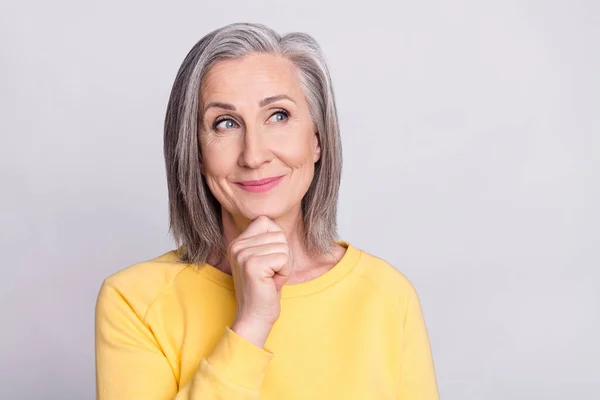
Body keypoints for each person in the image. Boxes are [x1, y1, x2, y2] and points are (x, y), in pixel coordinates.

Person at [95, 22, 439, 400]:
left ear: (318, 141)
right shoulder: (133, 300)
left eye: (278, 116)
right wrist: (252, 323)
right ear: (195, 153)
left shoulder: (387, 296)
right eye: (225, 124)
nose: (254, 155)